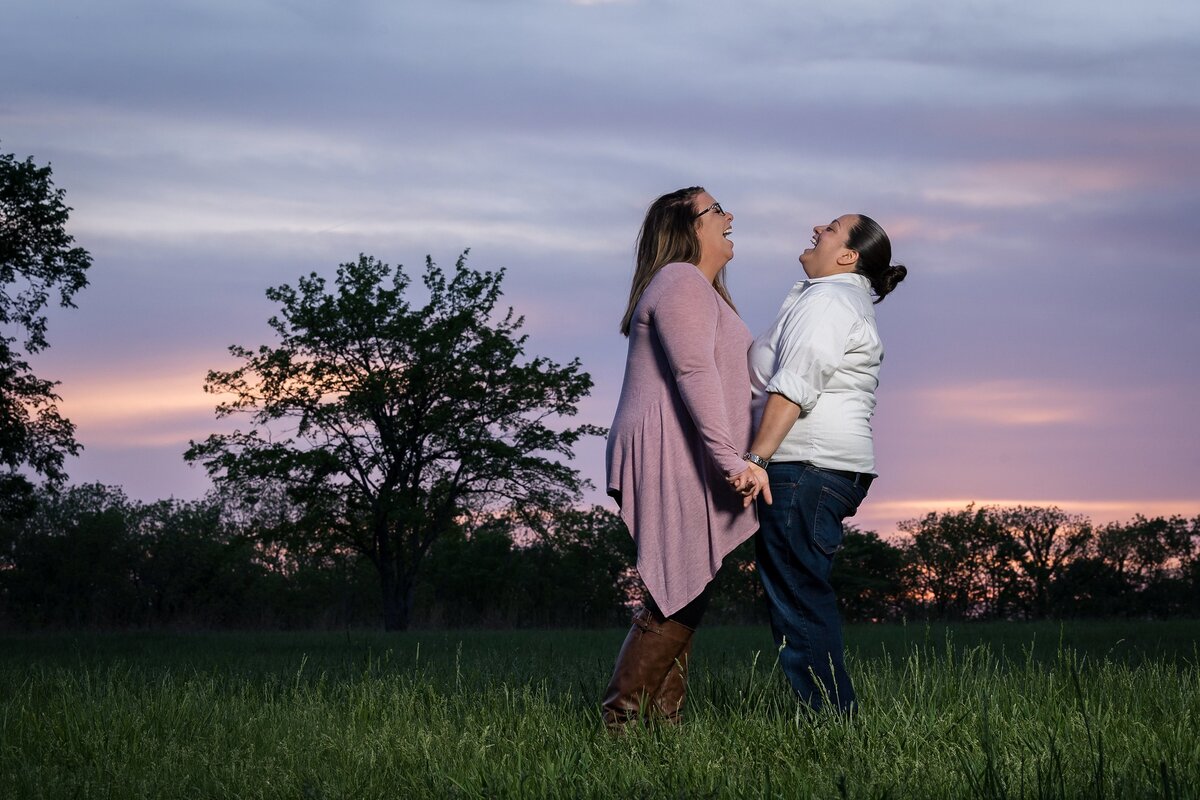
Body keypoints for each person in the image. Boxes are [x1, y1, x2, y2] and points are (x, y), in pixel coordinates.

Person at [602, 186, 770, 730]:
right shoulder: (678, 280)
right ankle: (620, 722)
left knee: (685, 586)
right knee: (676, 583)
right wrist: (731, 460)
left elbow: (730, 382)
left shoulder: (701, 290)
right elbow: (693, 374)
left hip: (684, 445)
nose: (730, 217)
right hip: (666, 446)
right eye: (717, 210)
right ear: (687, 226)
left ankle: (663, 722)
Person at [736, 213, 906, 714]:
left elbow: (796, 382)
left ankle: (832, 720)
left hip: (805, 465)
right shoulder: (832, 297)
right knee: (800, 590)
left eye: (831, 228)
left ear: (848, 256)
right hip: (819, 467)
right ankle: (832, 715)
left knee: (798, 596)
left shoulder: (830, 299)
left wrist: (756, 458)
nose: (817, 228)